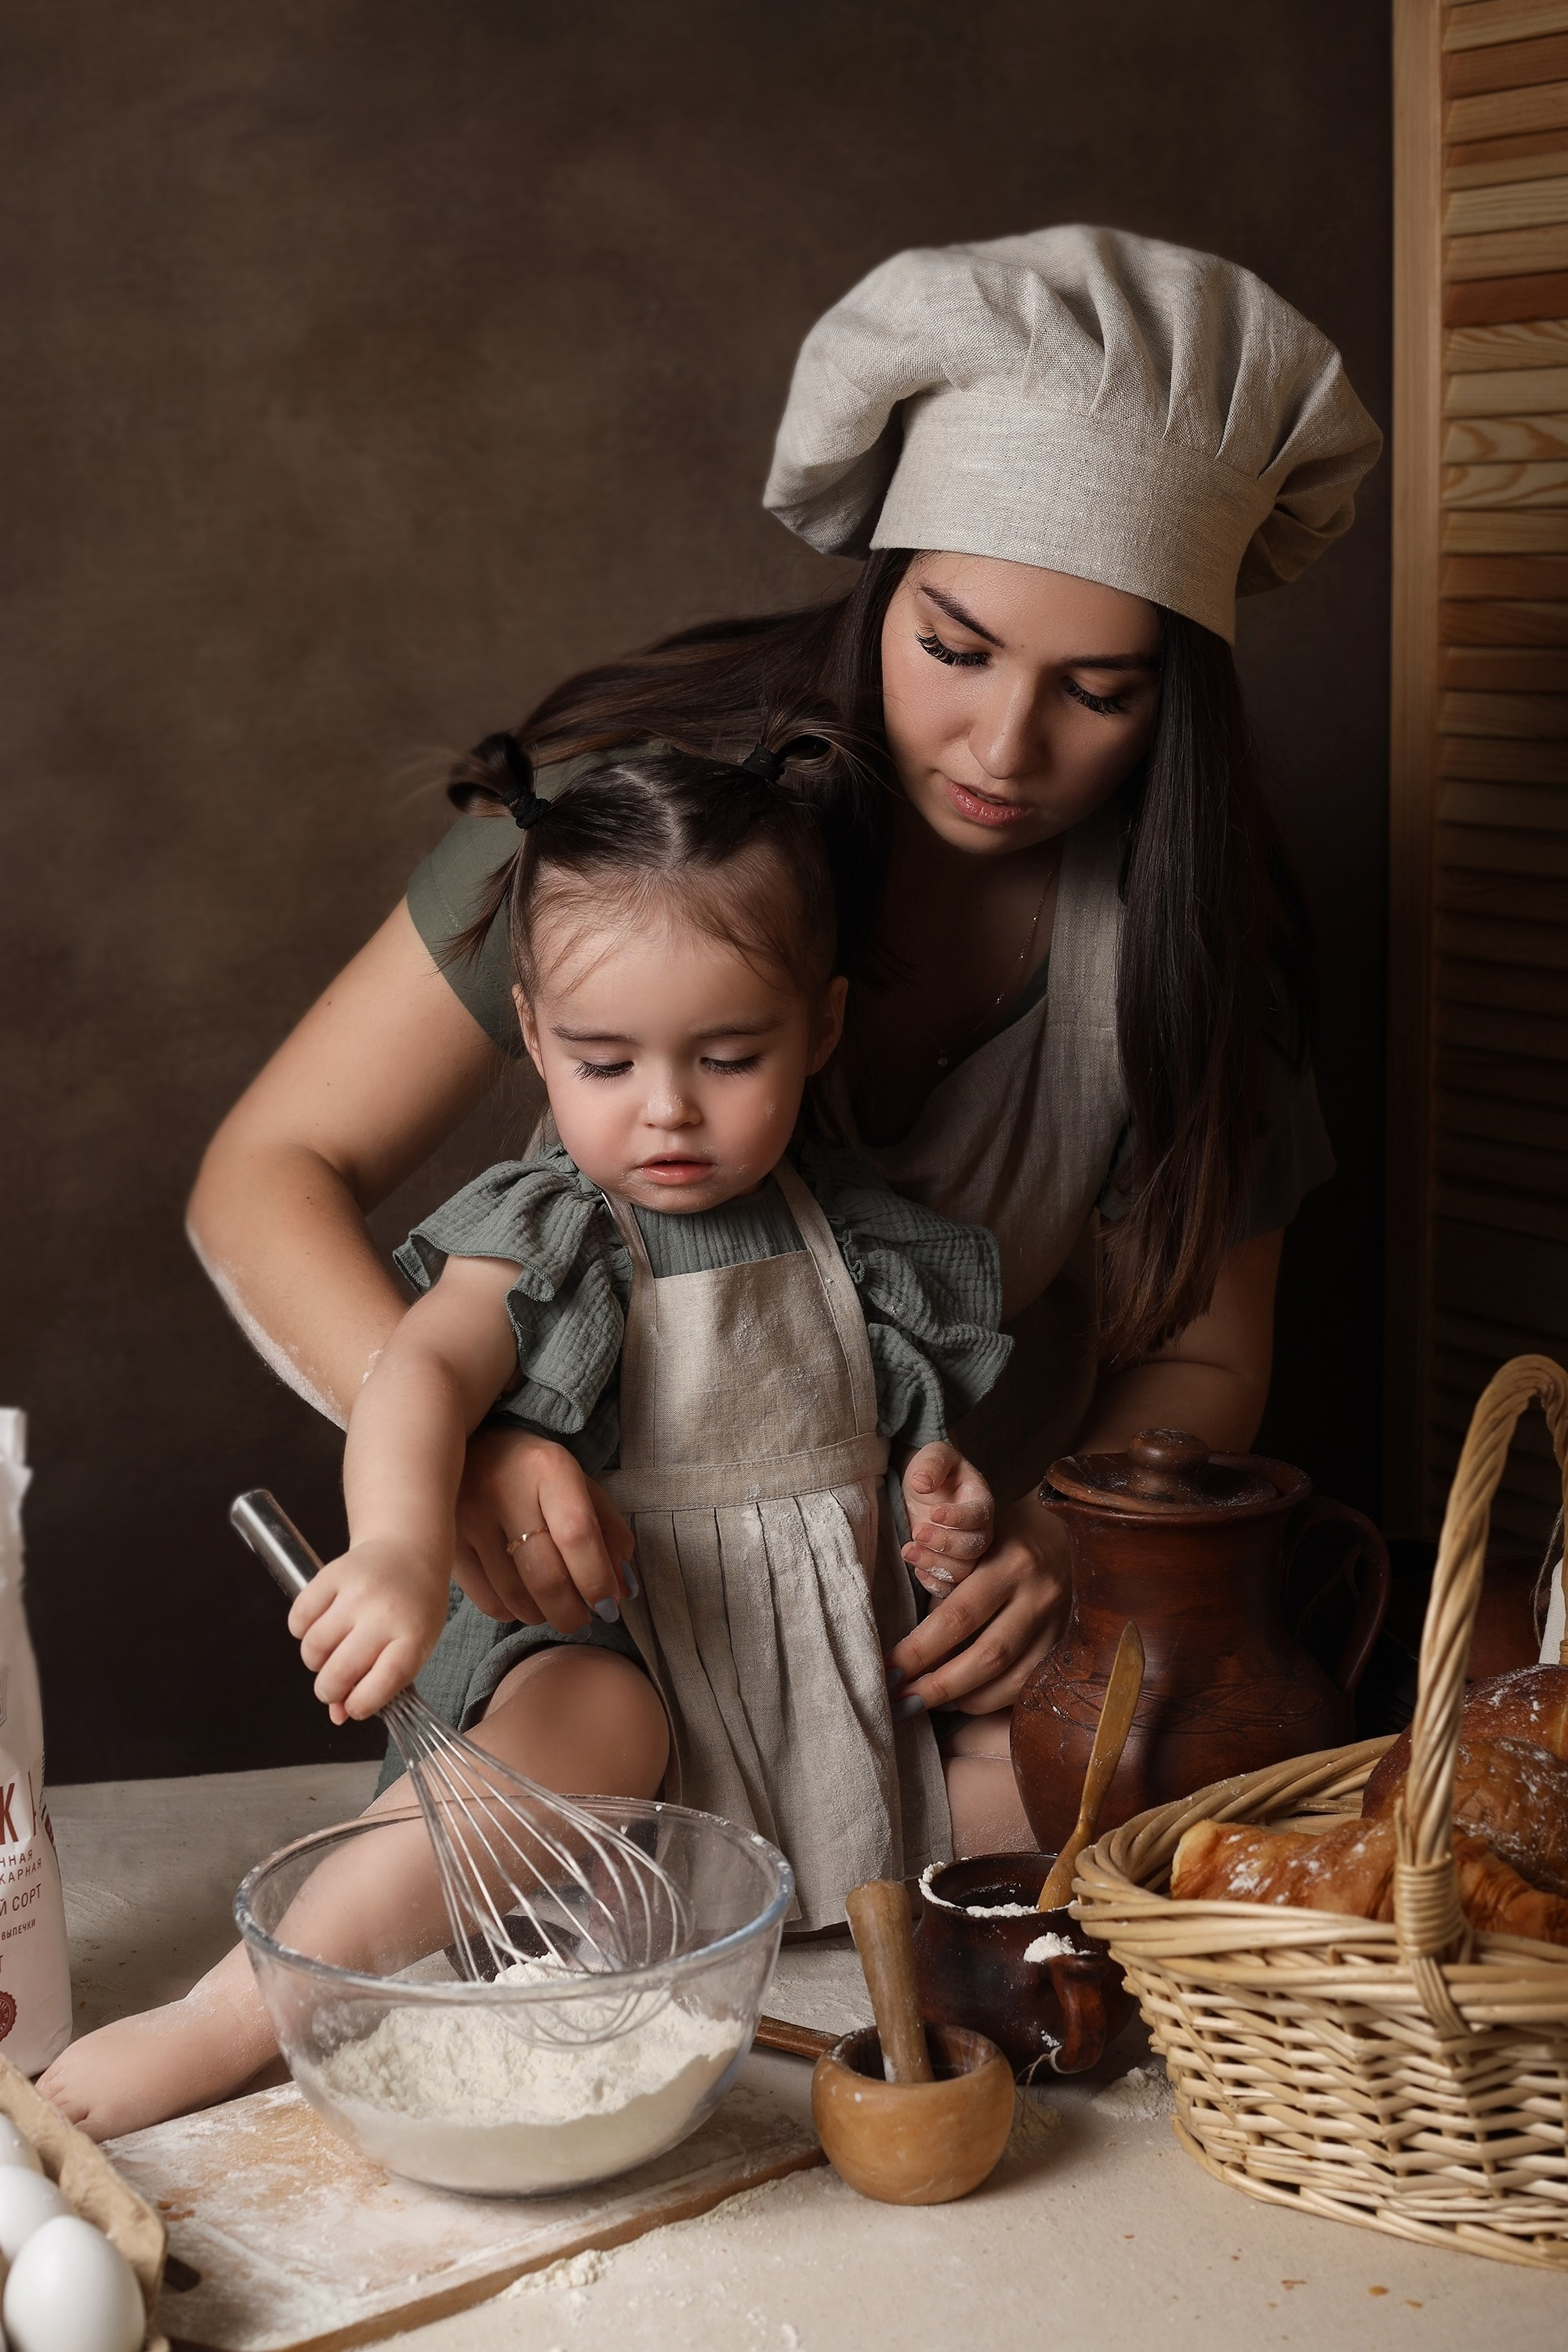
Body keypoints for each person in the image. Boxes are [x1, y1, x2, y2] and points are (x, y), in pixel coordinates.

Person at [186, 223, 1381, 1840]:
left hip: (894, 1647)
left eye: (1098, 691)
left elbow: (1204, 1350)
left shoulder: (1195, 948)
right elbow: (267, 1169)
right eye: (951, 648)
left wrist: (1049, 1530)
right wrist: (457, 1448)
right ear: (883, 586)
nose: (1003, 743)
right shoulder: (634, 842)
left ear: (1180, 700)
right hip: (605, 1627)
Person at [41, 725, 1011, 2137]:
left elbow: (899, 1442)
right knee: (596, 1727)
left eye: (731, 1056)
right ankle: (242, 2010)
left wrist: (948, 1509)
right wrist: (392, 1543)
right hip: (607, 1641)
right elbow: (420, 1376)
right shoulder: (559, 1224)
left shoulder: (861, 1242)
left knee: (1019, 1762)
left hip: (816, 1666)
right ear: (534, 1032)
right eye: (604, 1061)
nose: (666, 1110)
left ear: (826, 1026)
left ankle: (980, 1976)